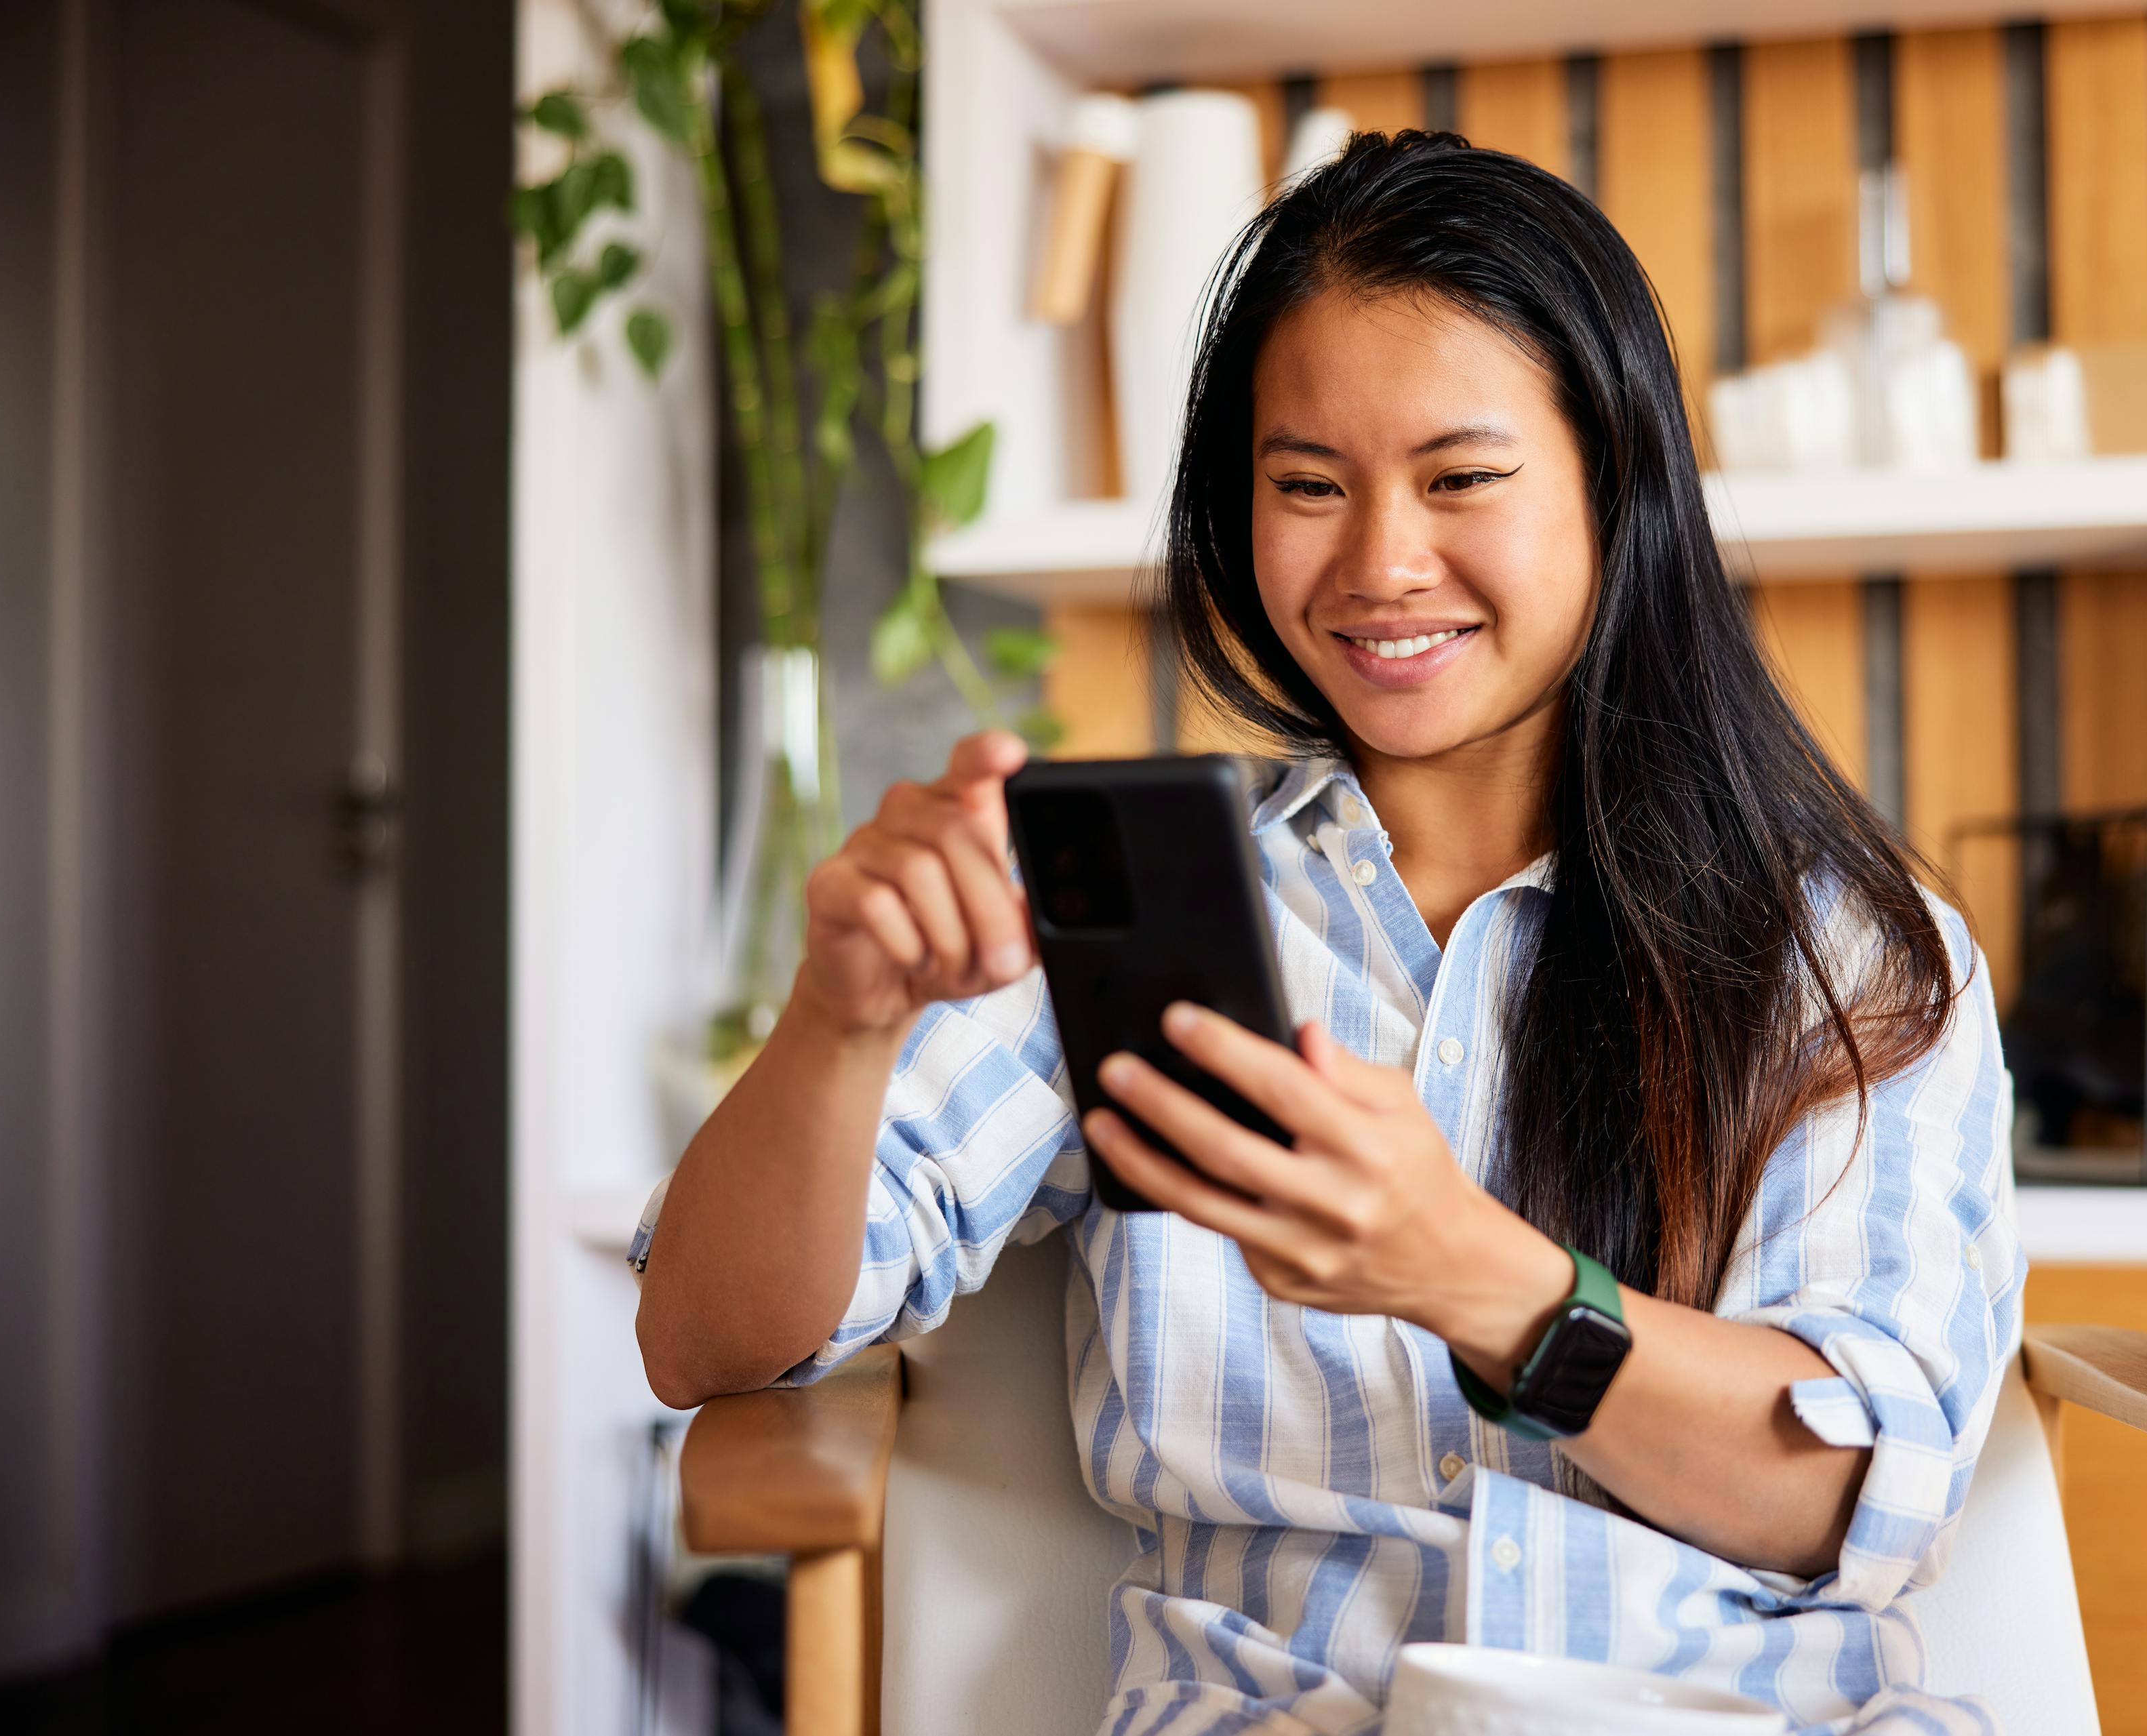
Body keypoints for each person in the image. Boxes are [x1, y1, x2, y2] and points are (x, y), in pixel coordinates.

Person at [632, 130, 2021, 1735]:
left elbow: (1848, 1492)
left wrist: (1478, 1279)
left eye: (1461, 478)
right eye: (1307, 485)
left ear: (1618, 482)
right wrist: (840, 1024)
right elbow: (702, 1337)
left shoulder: (1844, 954)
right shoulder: (1123, 906)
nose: (1380, 564)